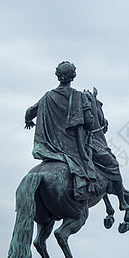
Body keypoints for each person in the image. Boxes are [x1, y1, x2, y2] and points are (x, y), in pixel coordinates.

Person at [24, 61, 96, 201]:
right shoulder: (79, 96)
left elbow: (29, 112)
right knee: (88, 163)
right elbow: (89, 123)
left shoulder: (47, 96)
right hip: (72, 150)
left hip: (48, 150)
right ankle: (85, 187)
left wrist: (28, 121)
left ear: (58, 75)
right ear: (73, 76)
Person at [84, 87, 129, 211]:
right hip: (89, 143)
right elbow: (90, 122)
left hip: (71, 144)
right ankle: (122, 202)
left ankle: (109, 207)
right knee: (113, 165)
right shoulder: (87, 106)